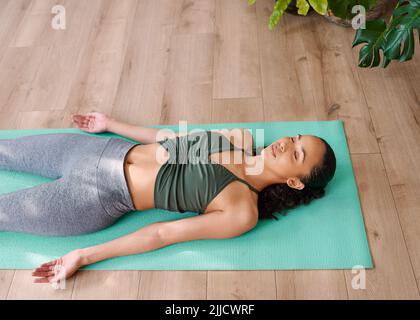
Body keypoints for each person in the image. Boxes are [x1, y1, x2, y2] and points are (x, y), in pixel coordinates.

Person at [0, 112, 336, 283]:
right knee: (5, 150)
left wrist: (83, 257)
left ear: (294, 181)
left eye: (296, 153)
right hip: (99, 148)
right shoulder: (239, 139)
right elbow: (169, 139)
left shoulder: (241, 209)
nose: (285, 144)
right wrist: (112, 123)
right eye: (294, 138)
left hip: (93, 198)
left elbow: (162, 234)